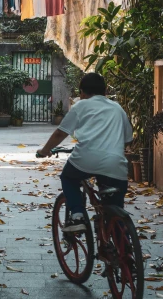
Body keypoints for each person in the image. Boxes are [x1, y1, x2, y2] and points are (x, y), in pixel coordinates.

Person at [36, 72, 133, 232]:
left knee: (68, 177)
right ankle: (125, 251)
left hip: (86, 158)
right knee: (116, 210)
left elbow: (61, 133)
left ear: (82, 92)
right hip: (115, 164)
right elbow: (128, 139)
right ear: (105, 91)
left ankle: (77, 214)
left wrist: (45, 150)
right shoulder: (117, 108)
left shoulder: (80, 106)